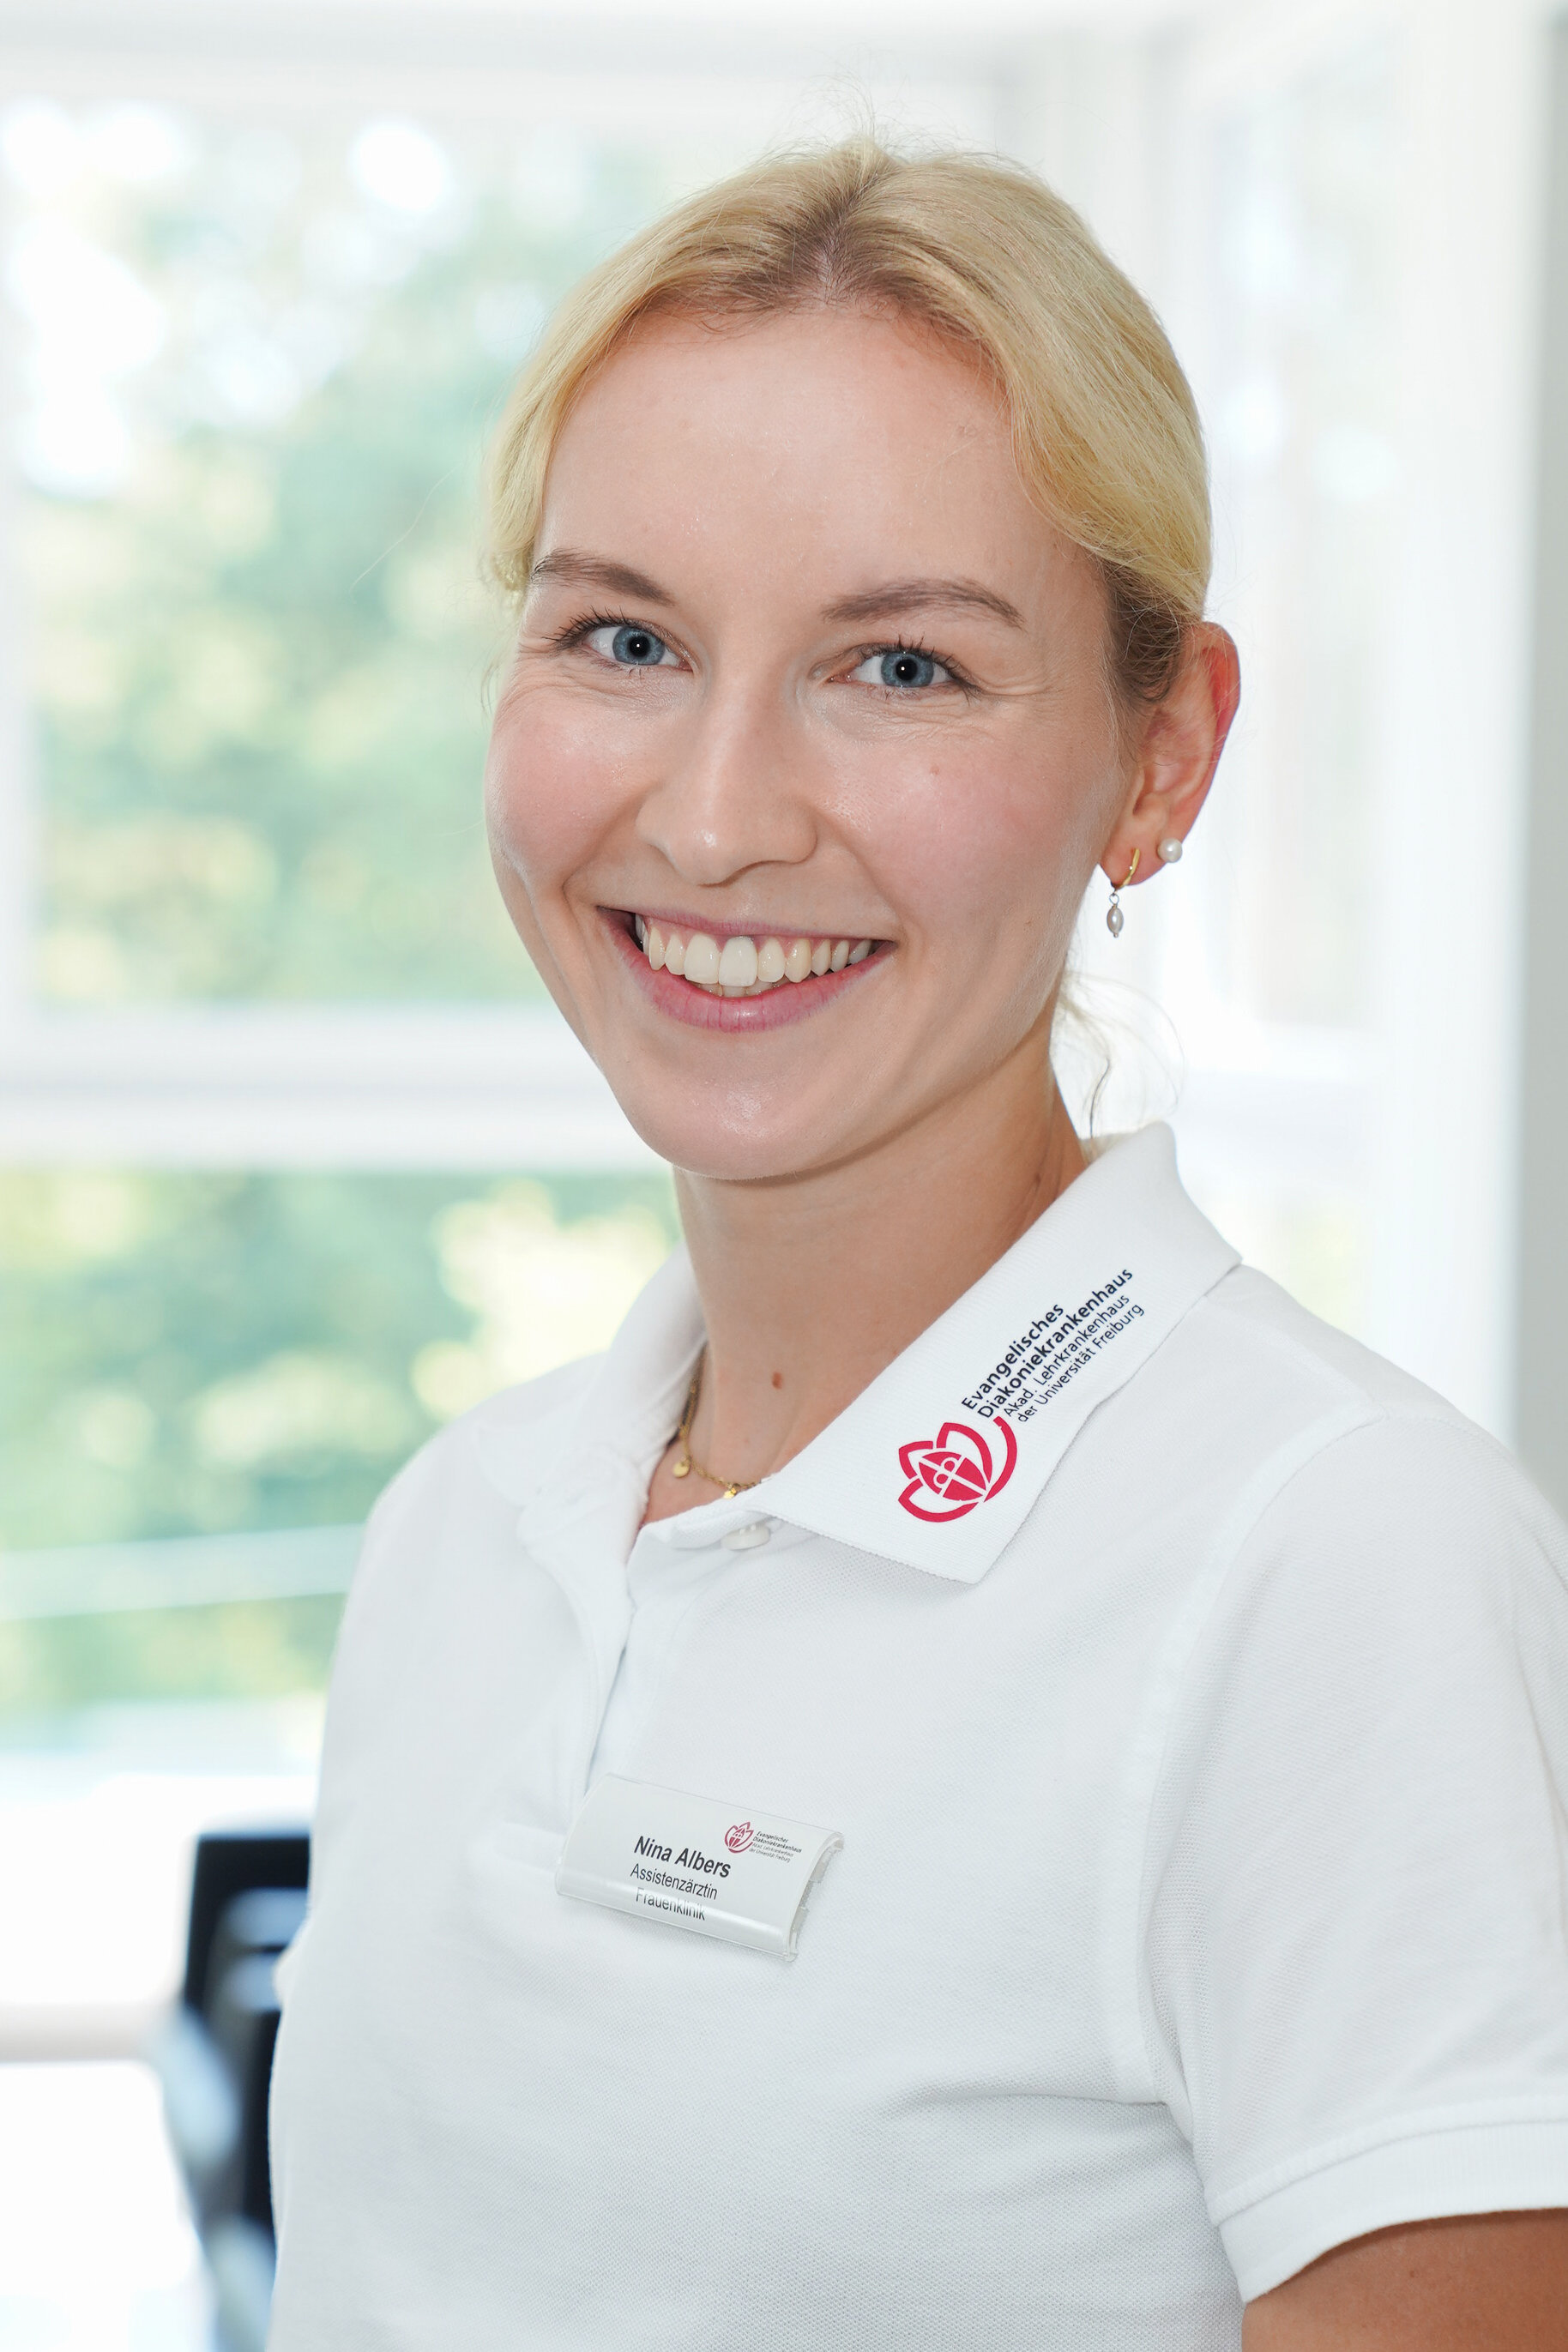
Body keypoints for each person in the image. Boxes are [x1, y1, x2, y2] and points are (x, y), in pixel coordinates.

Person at [268, 139, 1568, 2349]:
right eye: (624, 639)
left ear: (1162, 758)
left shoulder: (1335, 1564)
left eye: (900, 667)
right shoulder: (461, 1529)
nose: (713, 819)